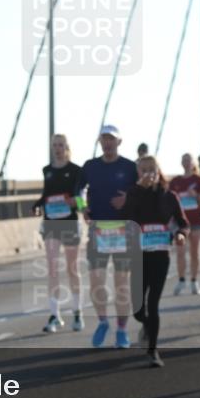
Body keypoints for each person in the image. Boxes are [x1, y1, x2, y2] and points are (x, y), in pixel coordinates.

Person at [121, 155, 188, 367]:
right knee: (138, 309)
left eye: (152, 169)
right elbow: (127, 218)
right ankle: (147, 325)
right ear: (138, 174)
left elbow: (182, 223)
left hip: (160, 255)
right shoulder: (133, 193)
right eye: (143, 170)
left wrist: (181, 235)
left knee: (153, 304)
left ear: (159, 171)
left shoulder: (169, 196)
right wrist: (139, 190)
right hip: (138, 255)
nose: (148, 174)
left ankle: (153, 351)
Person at [79, 125, 138, 349]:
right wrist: (82, 207)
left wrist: (128, 201)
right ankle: (103, 322)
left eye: (111, 139)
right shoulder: (90, 166)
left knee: (121, 284)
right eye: (103, 139)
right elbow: (78, 191)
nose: (107, 143)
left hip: (123, 230)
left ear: (119, 142)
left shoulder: (130, 167)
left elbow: (141, 193)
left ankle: (122, 330)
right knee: (96, 281)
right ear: (99, 142)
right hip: (98, 230)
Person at [32, 134, 85, 333]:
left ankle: (77, 312)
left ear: (67, 147)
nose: (58, 149)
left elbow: (83, 200)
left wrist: (76, 202)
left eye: (61, 145)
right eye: (55, 145)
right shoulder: (47, 170)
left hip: (70, 224)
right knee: (52, 269)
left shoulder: (76, 171)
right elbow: (46, 195)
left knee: (72, 269)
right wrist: (37, 205)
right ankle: (55, 315)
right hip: (51, 224)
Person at [169, 153, 200, 296]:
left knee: (194, 252)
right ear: (181, 162)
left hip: (196, 220)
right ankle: (181, 279)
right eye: (183, 160)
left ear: (193, 163)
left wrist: (196, 196)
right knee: (180, 252)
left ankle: (194, 281)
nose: (186, 163)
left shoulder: (198, 180)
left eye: (188, 160)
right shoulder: (175, 181)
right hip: (180, 222)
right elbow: (169, 200)